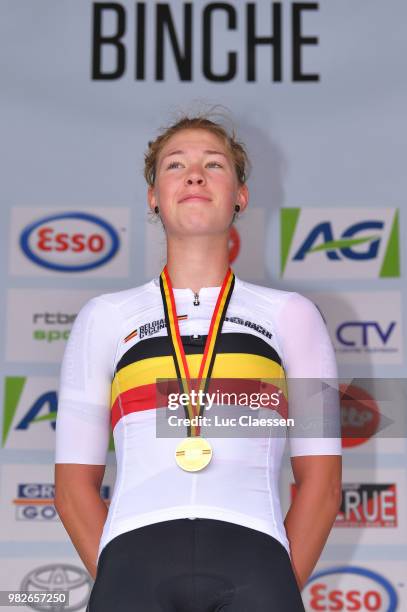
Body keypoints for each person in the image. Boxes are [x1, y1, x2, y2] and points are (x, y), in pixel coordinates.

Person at [54, 112, 342, 611]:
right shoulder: (103, 318)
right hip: (132, 560)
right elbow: (72, 484)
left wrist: (274, 581)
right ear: (152, 196)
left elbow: (322, 482)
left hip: (257, 561)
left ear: (240, 196)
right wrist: (121, 578)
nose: (194, 175)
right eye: (175, 165)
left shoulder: (294, 316)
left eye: (214, 164)